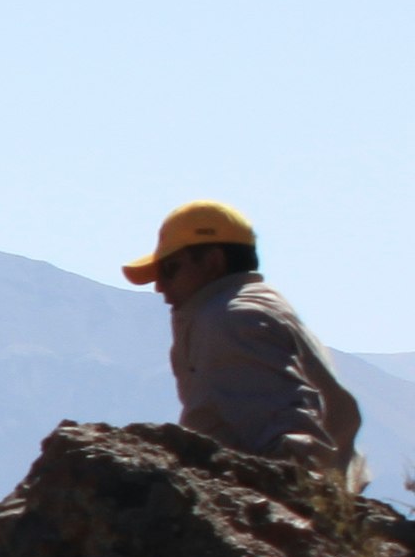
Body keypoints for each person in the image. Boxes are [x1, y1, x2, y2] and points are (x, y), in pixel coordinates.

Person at [128, 200, 368, 485]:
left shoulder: (230, 321)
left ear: (214, 262)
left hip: (269, 515)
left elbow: (293, 447)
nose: (160, 286)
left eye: (170, 269)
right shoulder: (261, 307)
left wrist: (274, 513)